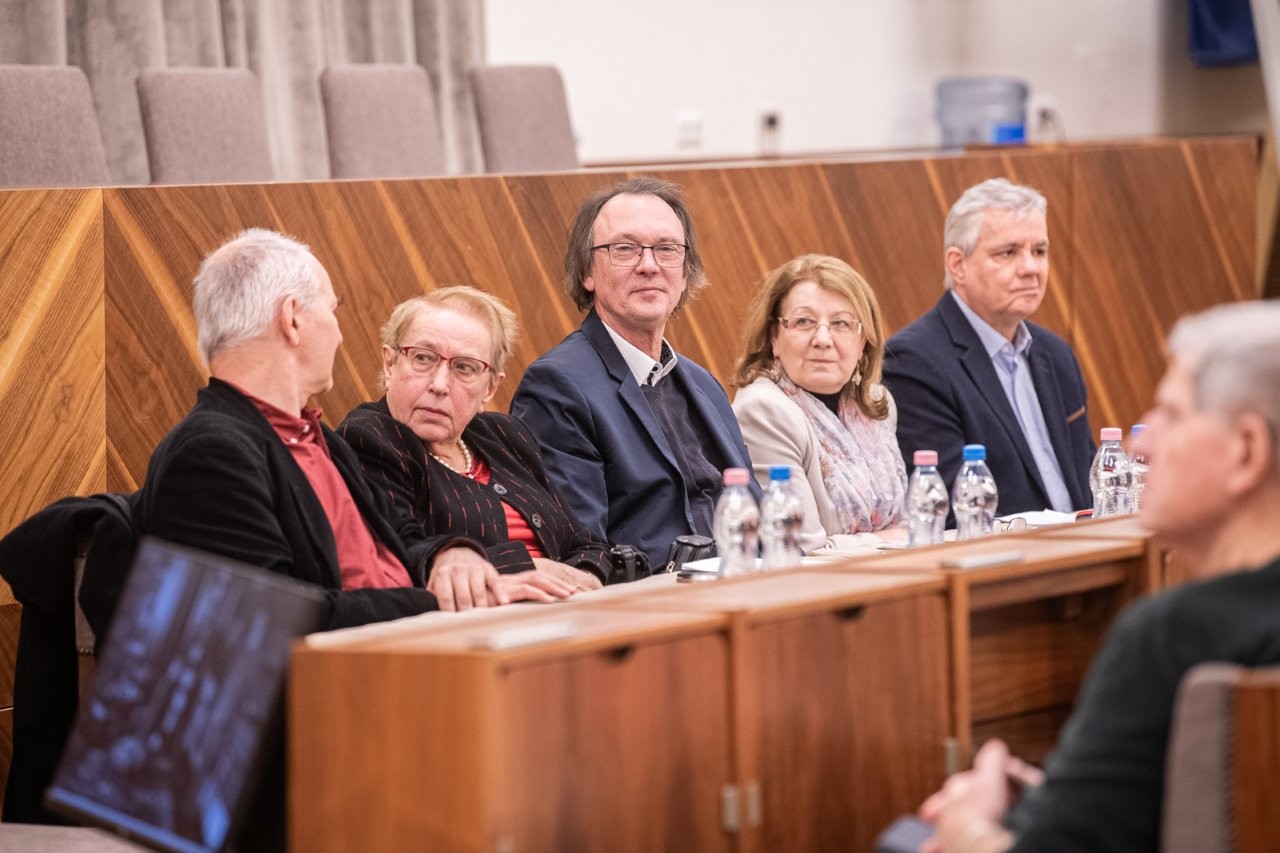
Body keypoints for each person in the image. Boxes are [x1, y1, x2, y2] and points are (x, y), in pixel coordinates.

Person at [918, 300, 1280, 852]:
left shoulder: (1171, 638)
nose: (1141, 442)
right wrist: (1062, 796)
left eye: (1172, 414)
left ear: (1246, 452)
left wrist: (968, 823)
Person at [135, 229, 572, 628]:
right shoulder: (211, 452)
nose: (340, 336)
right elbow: (272, 622)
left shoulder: (319, 439)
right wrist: (439, 604)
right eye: (332, 311)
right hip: (353, 676)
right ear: (292, 319)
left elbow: (402, 539)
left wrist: (451, 556)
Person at [511, 176, 757, 569]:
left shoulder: (703, 384)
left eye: (666, 249)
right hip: (659, 597)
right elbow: (582, 552)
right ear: (587, 272)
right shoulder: (556, 388)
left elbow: (756, 513)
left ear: (685, 274)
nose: (649, 266)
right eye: (624, 249)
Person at [338, 287, 612, 592]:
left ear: (490, 388)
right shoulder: (370, 438)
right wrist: (525, 565)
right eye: (423, 358)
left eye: (464, 367)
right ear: (389, 364)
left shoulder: (506, 436)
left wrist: (587, 576)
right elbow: (405, 559)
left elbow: (585, 543)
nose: (439, 384)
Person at [883, 178, 1094, 517]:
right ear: (958, 265)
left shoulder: (1056, 355)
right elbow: (953, 510)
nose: (1031, 269)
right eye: (1008, 253)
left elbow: (1090, 485)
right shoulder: (913, 362)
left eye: (1039, 251)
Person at [731, 254, 907, 552]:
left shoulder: (876, 404)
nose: (823, 339)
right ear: (774, 337)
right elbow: (802, 550)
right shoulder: (763, 412)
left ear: (862, 341)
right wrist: (891, 539)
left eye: (841, 323)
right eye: (804, 322)